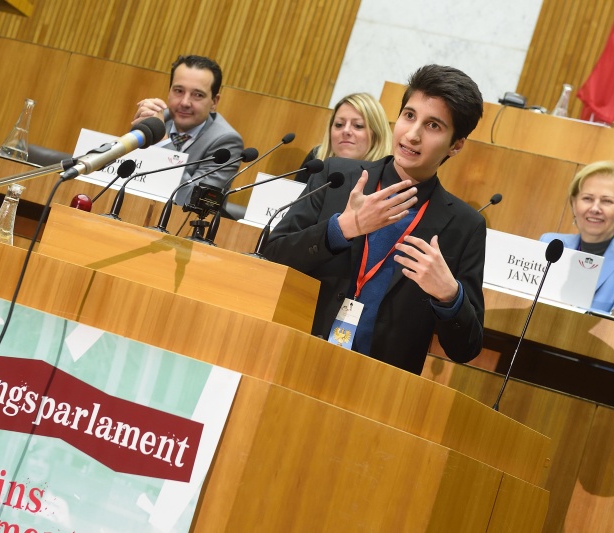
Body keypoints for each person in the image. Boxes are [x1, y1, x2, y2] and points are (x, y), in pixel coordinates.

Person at [264, 64, 486, 375]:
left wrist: (450, 295)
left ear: (456, 144)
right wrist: (342, 228)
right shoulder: (337, 177)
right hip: (293, 353)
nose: (412, 134)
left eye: (433, 125)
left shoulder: (465, 226)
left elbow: (466, 348)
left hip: (379, 387)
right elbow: (270, 255)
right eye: (409, 116)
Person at [132, 55, 244, 204]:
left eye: (197, 95)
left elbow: (193, 202)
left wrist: (162, 142)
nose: (185, 102)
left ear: (214, 102)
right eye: (178, 91)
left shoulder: (227, 142)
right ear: (169, 91)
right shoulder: (156, 119)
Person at [540, 161, 614, 314]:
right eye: (587, 198)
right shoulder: (550, 243)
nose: (595, 208)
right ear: (574, 204)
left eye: (607, 201)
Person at [295, 93, 392, 183]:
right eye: (339, 124)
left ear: (376, 134)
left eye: (358, 125)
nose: (346, 131)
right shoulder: (316, 159)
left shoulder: (387, 175)